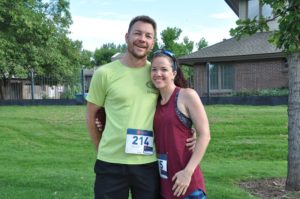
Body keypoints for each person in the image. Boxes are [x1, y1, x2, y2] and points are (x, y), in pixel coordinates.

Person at [86, 15, 195, 199]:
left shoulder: (157, 73)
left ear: (152, 43)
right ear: (127, 36)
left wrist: (191, 129)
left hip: (147, 163)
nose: (142, 39)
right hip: (110, 163)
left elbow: (176, 103)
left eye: (148, 36)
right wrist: (101, 150)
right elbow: (91, 115)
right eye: (137, 33)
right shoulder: (104, 73)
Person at [151, 49, 211, 199]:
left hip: (188, 186)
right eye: (154, 69)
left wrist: (188, 172)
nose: (158, 73)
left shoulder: (186, 95)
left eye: (164, 69)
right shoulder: (153, 102)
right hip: (164, 185)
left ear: (174, 73)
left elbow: (205, 135)